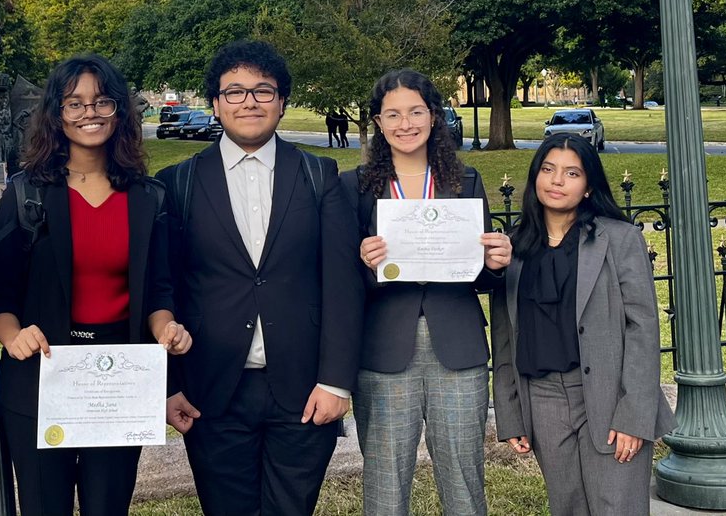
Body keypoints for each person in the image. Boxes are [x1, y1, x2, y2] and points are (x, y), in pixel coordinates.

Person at [159, 40, 363, 515]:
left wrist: (336, 382)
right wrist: (169, 387)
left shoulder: (319, 175)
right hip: (212, 389)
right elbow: (164, 288)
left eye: (262, 90)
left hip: (304, 389)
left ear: (282, 101)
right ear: (214, 102)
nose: (249, 101)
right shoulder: (179, 183)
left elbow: (341, 285)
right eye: (234, 91)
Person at [0, 53, 191, 516]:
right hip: (40, 374)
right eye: (74, 103)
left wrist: (166, 328)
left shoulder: (148, 196)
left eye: (101, 102)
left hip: (119, 379)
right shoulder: (26, 193)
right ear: (56, 114)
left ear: (120, 110)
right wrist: (13, 336)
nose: (89, 113)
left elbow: (158, 291)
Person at [352, 69, 512, 516]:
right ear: (379, 123)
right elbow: (341, 280)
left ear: (435, 117)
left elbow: (476, 273)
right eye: (393, 114)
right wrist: (364, 264)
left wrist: (496, 264)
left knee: (463, 477)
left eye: (416, 111)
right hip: (383, 351)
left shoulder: (465, 180)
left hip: (457, 348)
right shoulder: (356, 186)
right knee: (385, 480)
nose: (406, 123)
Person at [491, 133, 675, 515]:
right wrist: (511, 415)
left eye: (571, 173)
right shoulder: (514, 247)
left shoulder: (620, 240)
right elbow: (505, 336)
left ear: (589, 185)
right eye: (548, 169)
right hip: (542, 399)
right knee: (567, 506)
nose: (557, 181)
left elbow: (642, 329)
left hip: (609, 396)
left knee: (616, 506)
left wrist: (635, 415)